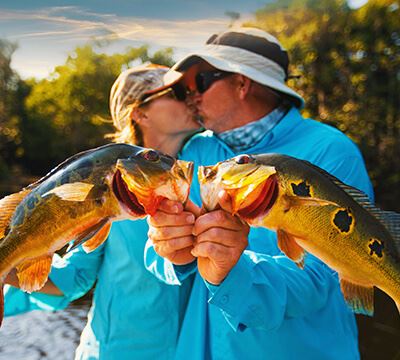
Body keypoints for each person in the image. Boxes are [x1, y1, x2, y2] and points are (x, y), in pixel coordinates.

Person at [145, 27, 374, 359]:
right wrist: (172, 252)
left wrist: (230, 270)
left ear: (242, 83)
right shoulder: (196, 149)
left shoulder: (331, 151)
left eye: (202, 82)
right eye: (184, 89)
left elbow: (321, 281)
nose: (191, 96)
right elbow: (152, 252)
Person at [4, 64, 200, 359]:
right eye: (176, 92)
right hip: (115, 351)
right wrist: (7, 266)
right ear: (140, 112)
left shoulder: (202, 173)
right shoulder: (109, 180)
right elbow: (75, 276)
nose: (191, 97)